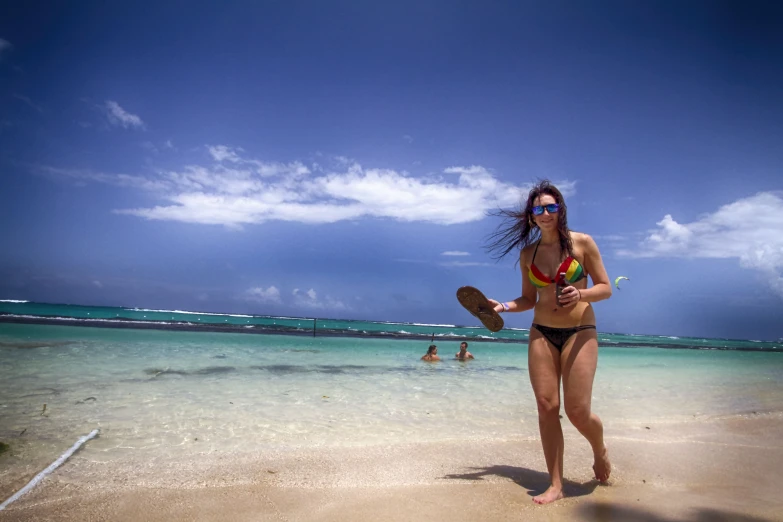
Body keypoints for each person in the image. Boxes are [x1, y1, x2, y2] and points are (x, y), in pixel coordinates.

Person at [485, 179, 612, 505]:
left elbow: (605, 288)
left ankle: (599, 450)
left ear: (560, 210)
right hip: (541, 331)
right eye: (538, 208)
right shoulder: (529, 253)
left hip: (580, 332)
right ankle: (555, 484)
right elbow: (528, 299)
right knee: (546, 407)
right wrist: (502, 306)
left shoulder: (582, 243)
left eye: (550, 207)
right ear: (531, 215)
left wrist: (580, 293)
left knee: (577, 411)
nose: (545, 213)